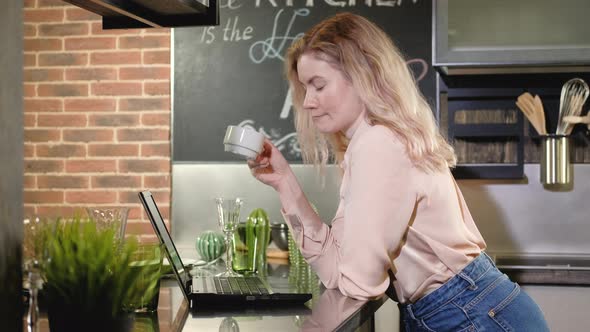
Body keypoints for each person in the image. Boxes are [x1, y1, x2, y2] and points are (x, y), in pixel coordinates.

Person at [247, 12, 549, 332]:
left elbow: (358, 282)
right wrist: (285, 183)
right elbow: (338, 272)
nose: (307, 102)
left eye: (318, 85)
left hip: (469, 314)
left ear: (362, 76)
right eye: (305, 88)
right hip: (462, 311)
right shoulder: (367, 145)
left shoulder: (379, 145)